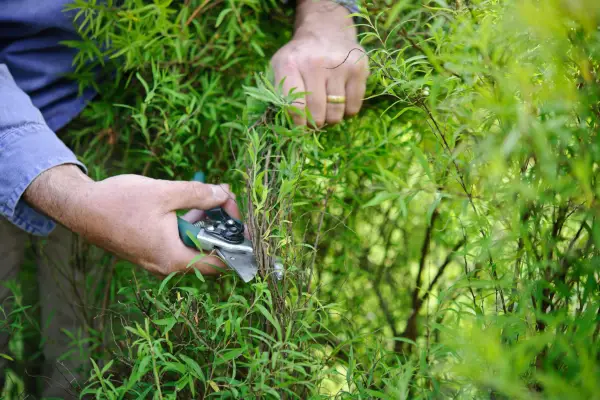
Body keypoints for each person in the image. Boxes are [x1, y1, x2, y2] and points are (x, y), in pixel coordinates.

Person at [0, 0, 369, 397]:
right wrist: (74, 196)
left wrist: (326, 13)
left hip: (114, 117)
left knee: (87, 352)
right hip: (17, 118)